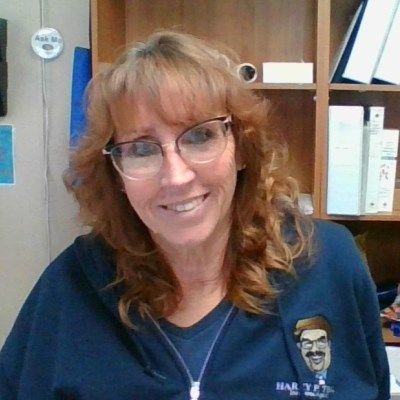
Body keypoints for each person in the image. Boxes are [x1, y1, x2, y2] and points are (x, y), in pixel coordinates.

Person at [0, 31, 390, 400]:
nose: (177, 175)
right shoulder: (71, 287)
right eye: (141, 149)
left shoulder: (329, 263)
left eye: (200, 136)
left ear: (240, 147)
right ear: (116, 174)